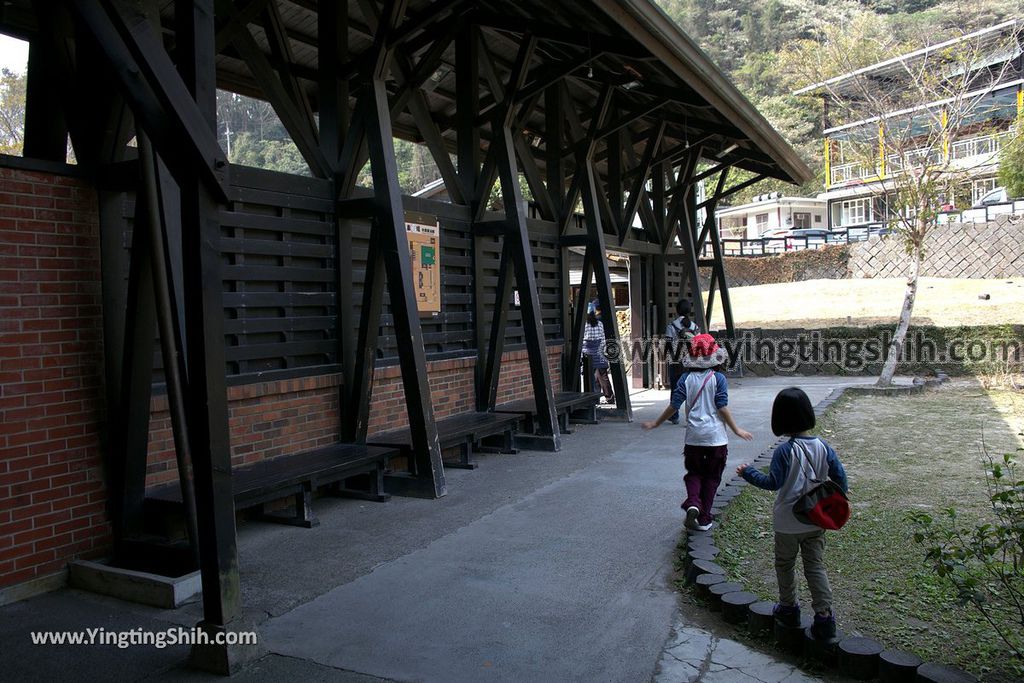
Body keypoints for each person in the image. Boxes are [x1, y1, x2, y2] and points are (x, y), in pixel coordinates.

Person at [734, 387, 848, 641]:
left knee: (785, 565)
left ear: (781, 419)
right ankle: (824, 618)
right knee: (815, 566)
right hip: (815, 519)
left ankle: (788, 609)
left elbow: (773, 483)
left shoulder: (784, 451)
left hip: (787, 522)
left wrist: (748, 472)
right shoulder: (823, 446)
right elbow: (840, 477)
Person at [642, 333, 752, 531]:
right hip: (716, 439)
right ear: (715, 357)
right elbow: (722, 407)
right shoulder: (718, 379)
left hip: (693, 437)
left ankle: (693, 502)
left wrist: (656, 423)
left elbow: (674, 405)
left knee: (694, 473)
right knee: (711, 478)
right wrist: (736, 429)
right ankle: (704, 519)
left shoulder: (685, 378)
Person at [665, 299, 699, 425]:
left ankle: (674, 415)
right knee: (692, 389)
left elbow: (668, 345)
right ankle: (692, 416)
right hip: (691, 361)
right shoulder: (694, 327)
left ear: (677, 311)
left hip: (676, 361)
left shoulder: (672, 325)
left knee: (675, 388)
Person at [583, 301, 614, 404]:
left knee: (592, 377)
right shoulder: (600, 324)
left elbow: (582, 340)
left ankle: (595, 399)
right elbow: (604, 339)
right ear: (594, 312)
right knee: (603, 376)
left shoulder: (584, 325)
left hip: (587, 353)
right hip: (599, 352)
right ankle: (609, 397)